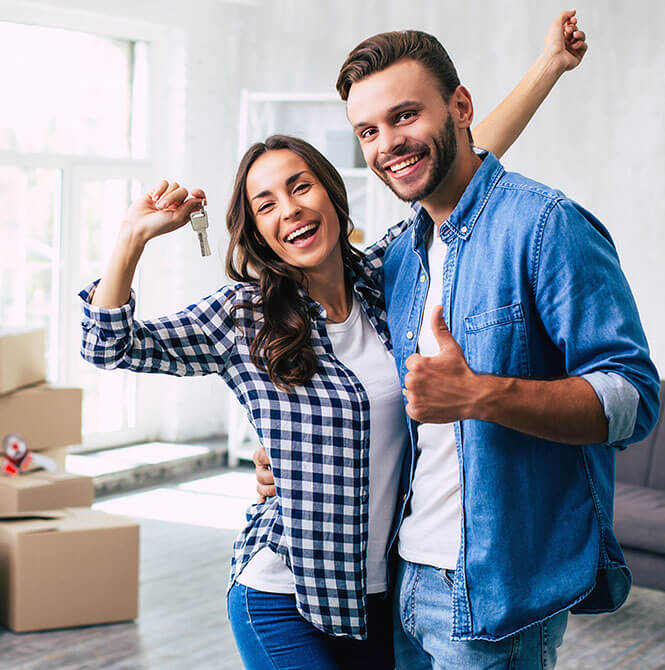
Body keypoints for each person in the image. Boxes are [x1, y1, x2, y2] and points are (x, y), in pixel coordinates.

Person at [80, 13, 592, 670]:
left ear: (330, 191)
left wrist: (547, 65)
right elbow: (109, 346)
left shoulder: (389, 278)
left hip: (381, 595)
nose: (288, 209)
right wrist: (131, 237)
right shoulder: (241, 316)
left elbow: (459, 160)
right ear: (257, 231)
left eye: (299, 186)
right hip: (282, 596)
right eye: (265, 204)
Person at [256, 9, 661, 670]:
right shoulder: (399, 260)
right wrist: (295, 453)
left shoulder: (545, 227)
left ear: (460, 106)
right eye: (368, 130)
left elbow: (631, 399)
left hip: (495, 590)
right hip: (400, 578)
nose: (388, 142)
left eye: (405, 115)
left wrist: (482, 395)